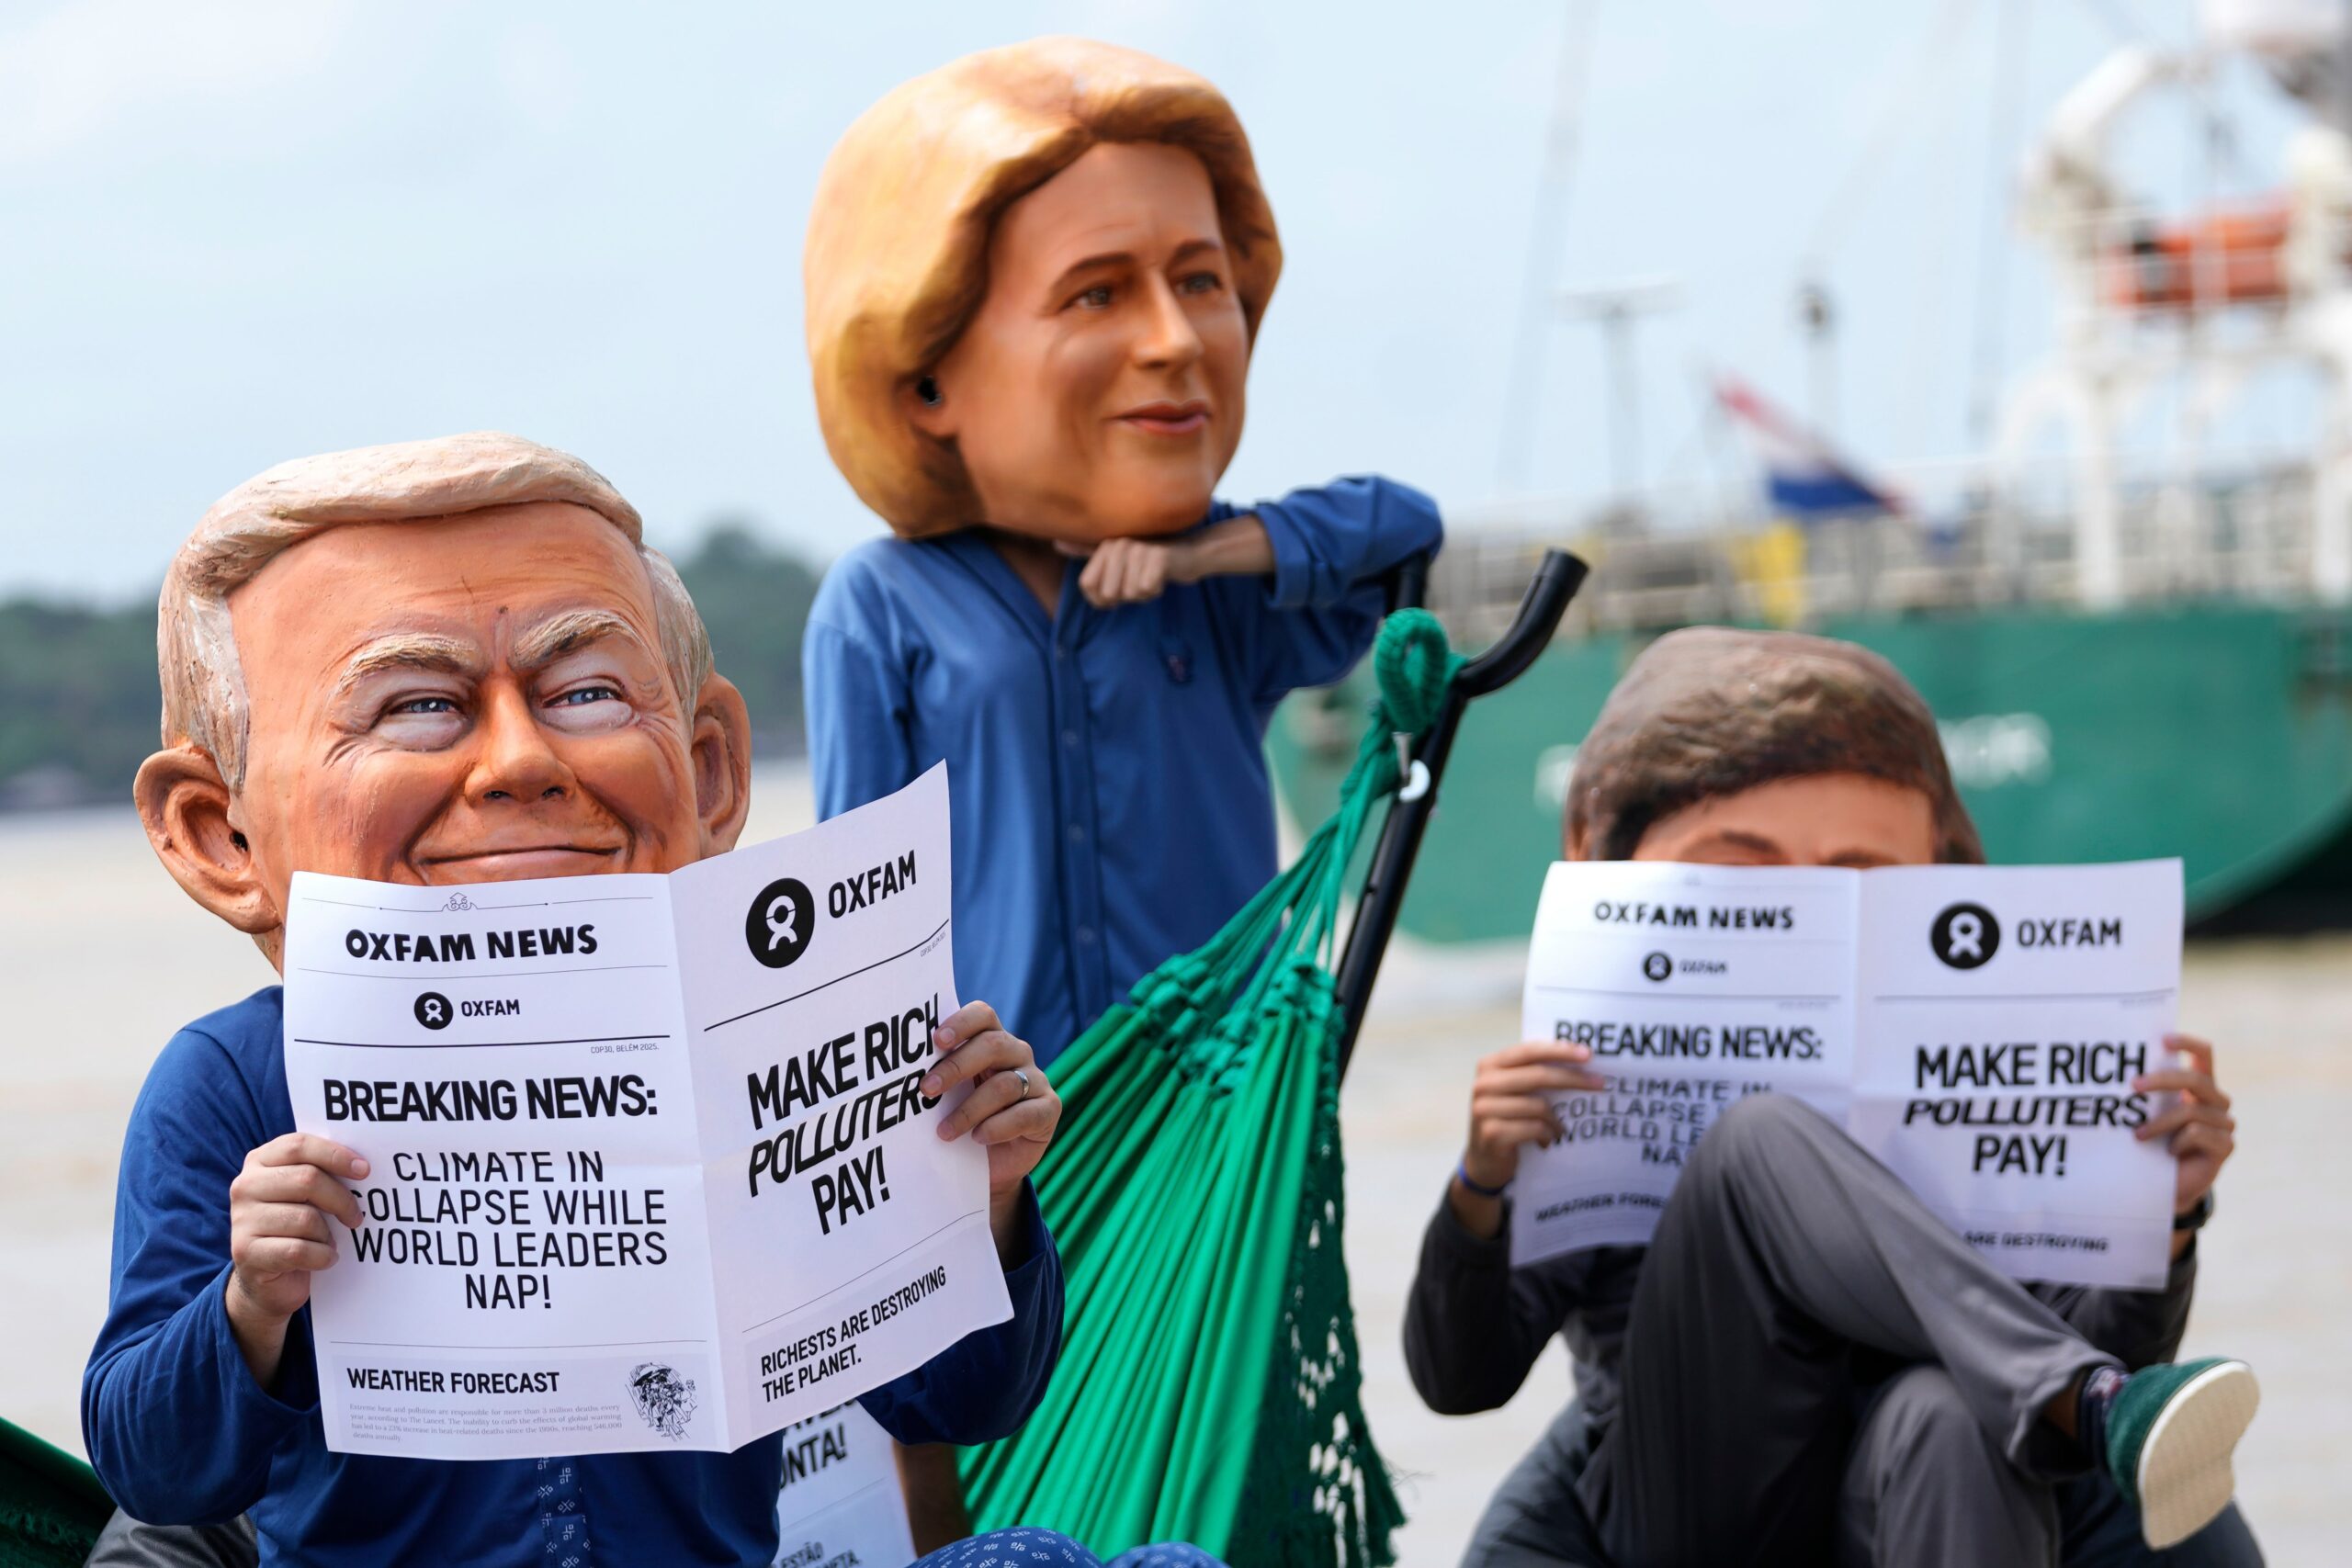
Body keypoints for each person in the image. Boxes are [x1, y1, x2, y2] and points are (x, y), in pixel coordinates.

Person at [78, 433, 1101, 1567]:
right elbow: (153, 1465)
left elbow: (961, 1404)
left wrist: (982, 1203)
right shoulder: (230, 1085)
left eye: (586, 691)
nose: (519, 761)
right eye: (418, 707)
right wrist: (251, 1305)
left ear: (709, 770)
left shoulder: (767, 1044)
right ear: (220, 834)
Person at [1403, 627, 2263, 1568]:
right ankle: (2084, 1400)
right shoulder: (1576, 1079)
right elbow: (1459, 1378)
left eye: (1859, 875)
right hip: (1691, 1504)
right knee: (1757, 1139)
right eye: (1740, 870)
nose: (1803, 911)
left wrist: (2168, 1210)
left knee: (1946, 1417)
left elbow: (2107, 1338)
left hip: (1921, 1491)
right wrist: (1481, 1187)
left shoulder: (2008, 1055)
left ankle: (2081, 1402)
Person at [798, 37, 1444, 1071]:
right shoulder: (881, 607)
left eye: (1200, 282)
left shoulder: (1220, 593)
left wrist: (1201, 557)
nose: (1175, 342)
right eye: (1096, 293)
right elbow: (851, 915)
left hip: (1218, 1105)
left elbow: (1400, 529)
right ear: (926, 382)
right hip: (1004, 1122)